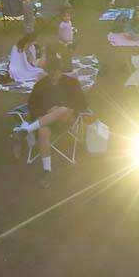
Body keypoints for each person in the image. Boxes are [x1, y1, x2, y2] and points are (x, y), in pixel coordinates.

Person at [13, 52, 87, 187]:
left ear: (61, 70)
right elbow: (32, 105)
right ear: (47, 71)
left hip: (66, 119)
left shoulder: (72, 83)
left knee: (62, 110)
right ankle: (47, 171)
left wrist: (65, 109)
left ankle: (25, 131)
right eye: (51, 72)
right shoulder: (41, 85)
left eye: (56, 71)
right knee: (42, 132)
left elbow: (82, 103)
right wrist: (47, 111)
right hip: (45, 120)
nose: (54, 74)